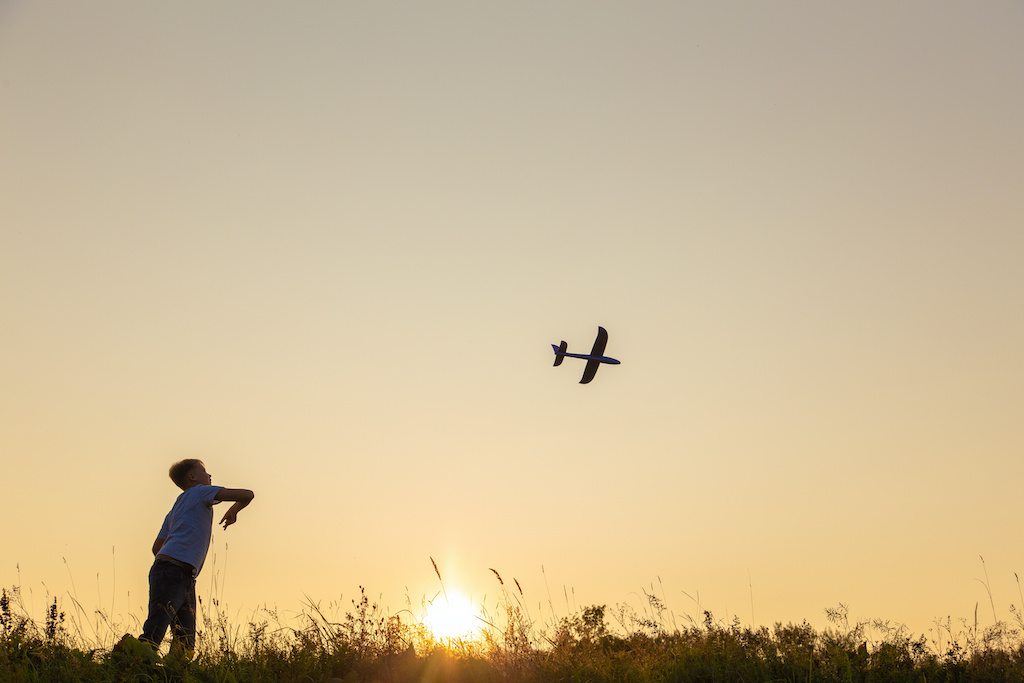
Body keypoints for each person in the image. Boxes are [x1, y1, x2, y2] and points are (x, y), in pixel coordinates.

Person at [119, 459, 254, 660]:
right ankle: (126, 663)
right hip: (176, 571)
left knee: (183, 639)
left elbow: (156, 548)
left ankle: (171, 674)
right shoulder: (200, 492)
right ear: (192, 477)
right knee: (164, 633)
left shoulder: (176, 508)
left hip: (175, 572)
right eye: (205, 471)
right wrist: (233, 510)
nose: (209, 476)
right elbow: (247, 494)